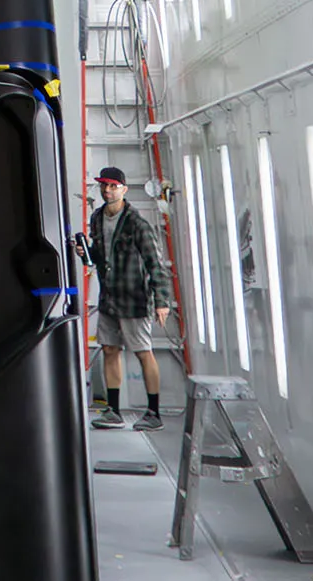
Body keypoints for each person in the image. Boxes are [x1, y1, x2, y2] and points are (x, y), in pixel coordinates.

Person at [90, 166, 173, 430]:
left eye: (113, 186)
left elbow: (155, 264)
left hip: (135, 299)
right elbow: (98, 255)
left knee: (143, 352)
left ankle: (153, 413)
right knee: (109, 350)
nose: (107, 190)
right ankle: (113, 411)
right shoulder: (97, 218)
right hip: (109, 299)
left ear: (124, 189)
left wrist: (161, 301)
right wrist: (86, 251)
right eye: (104, 185)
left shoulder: (137, 223)